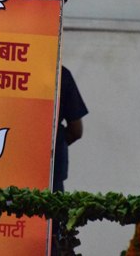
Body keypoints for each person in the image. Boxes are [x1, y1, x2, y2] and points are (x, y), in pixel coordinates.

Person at [52, 66, 88, 255]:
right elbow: (76, 130)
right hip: (51, 175)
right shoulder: (60, 73)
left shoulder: (8, 67)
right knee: (53, 235)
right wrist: (53, 144)